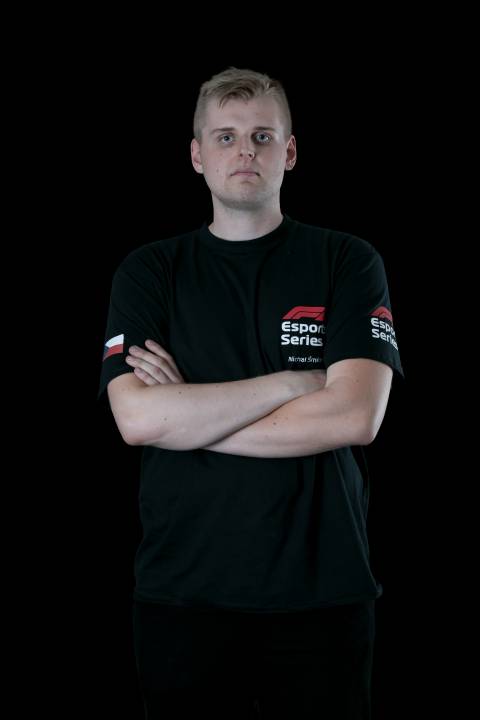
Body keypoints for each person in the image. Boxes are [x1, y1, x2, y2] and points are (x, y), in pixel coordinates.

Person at [98, 66, 404, 719]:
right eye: (226, 136)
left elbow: (355, 415)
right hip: (183, 597)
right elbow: (137, 419)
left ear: (289, 152)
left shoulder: (347, 261)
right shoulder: (150, 271)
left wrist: (190, 415)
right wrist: (295, 383)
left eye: (263, 136)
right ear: (197, 155)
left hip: (323, 595)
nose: (245, 151)